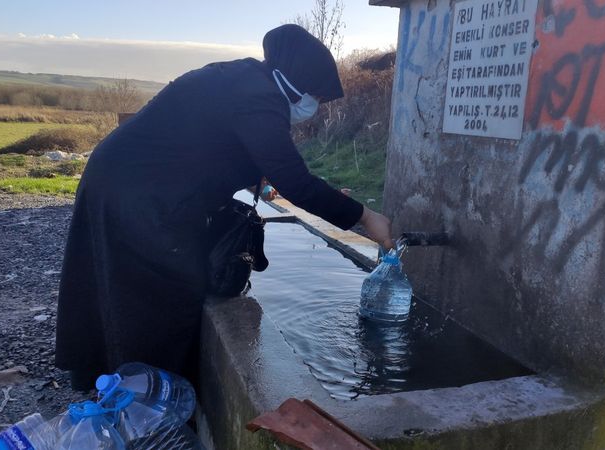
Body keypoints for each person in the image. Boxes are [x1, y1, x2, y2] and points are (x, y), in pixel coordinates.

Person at [55, 24, 394, 391]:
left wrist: (269, 184)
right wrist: (365, 216)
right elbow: (296, 181)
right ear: (297, 82)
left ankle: (117, 378)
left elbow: (209, 142)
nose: (312, 105)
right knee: (162, 288)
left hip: (125, 178)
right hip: (139, 192)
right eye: (314, 94)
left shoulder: (245, 78)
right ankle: (156, 400)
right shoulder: (260, 97)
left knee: (118, 278)